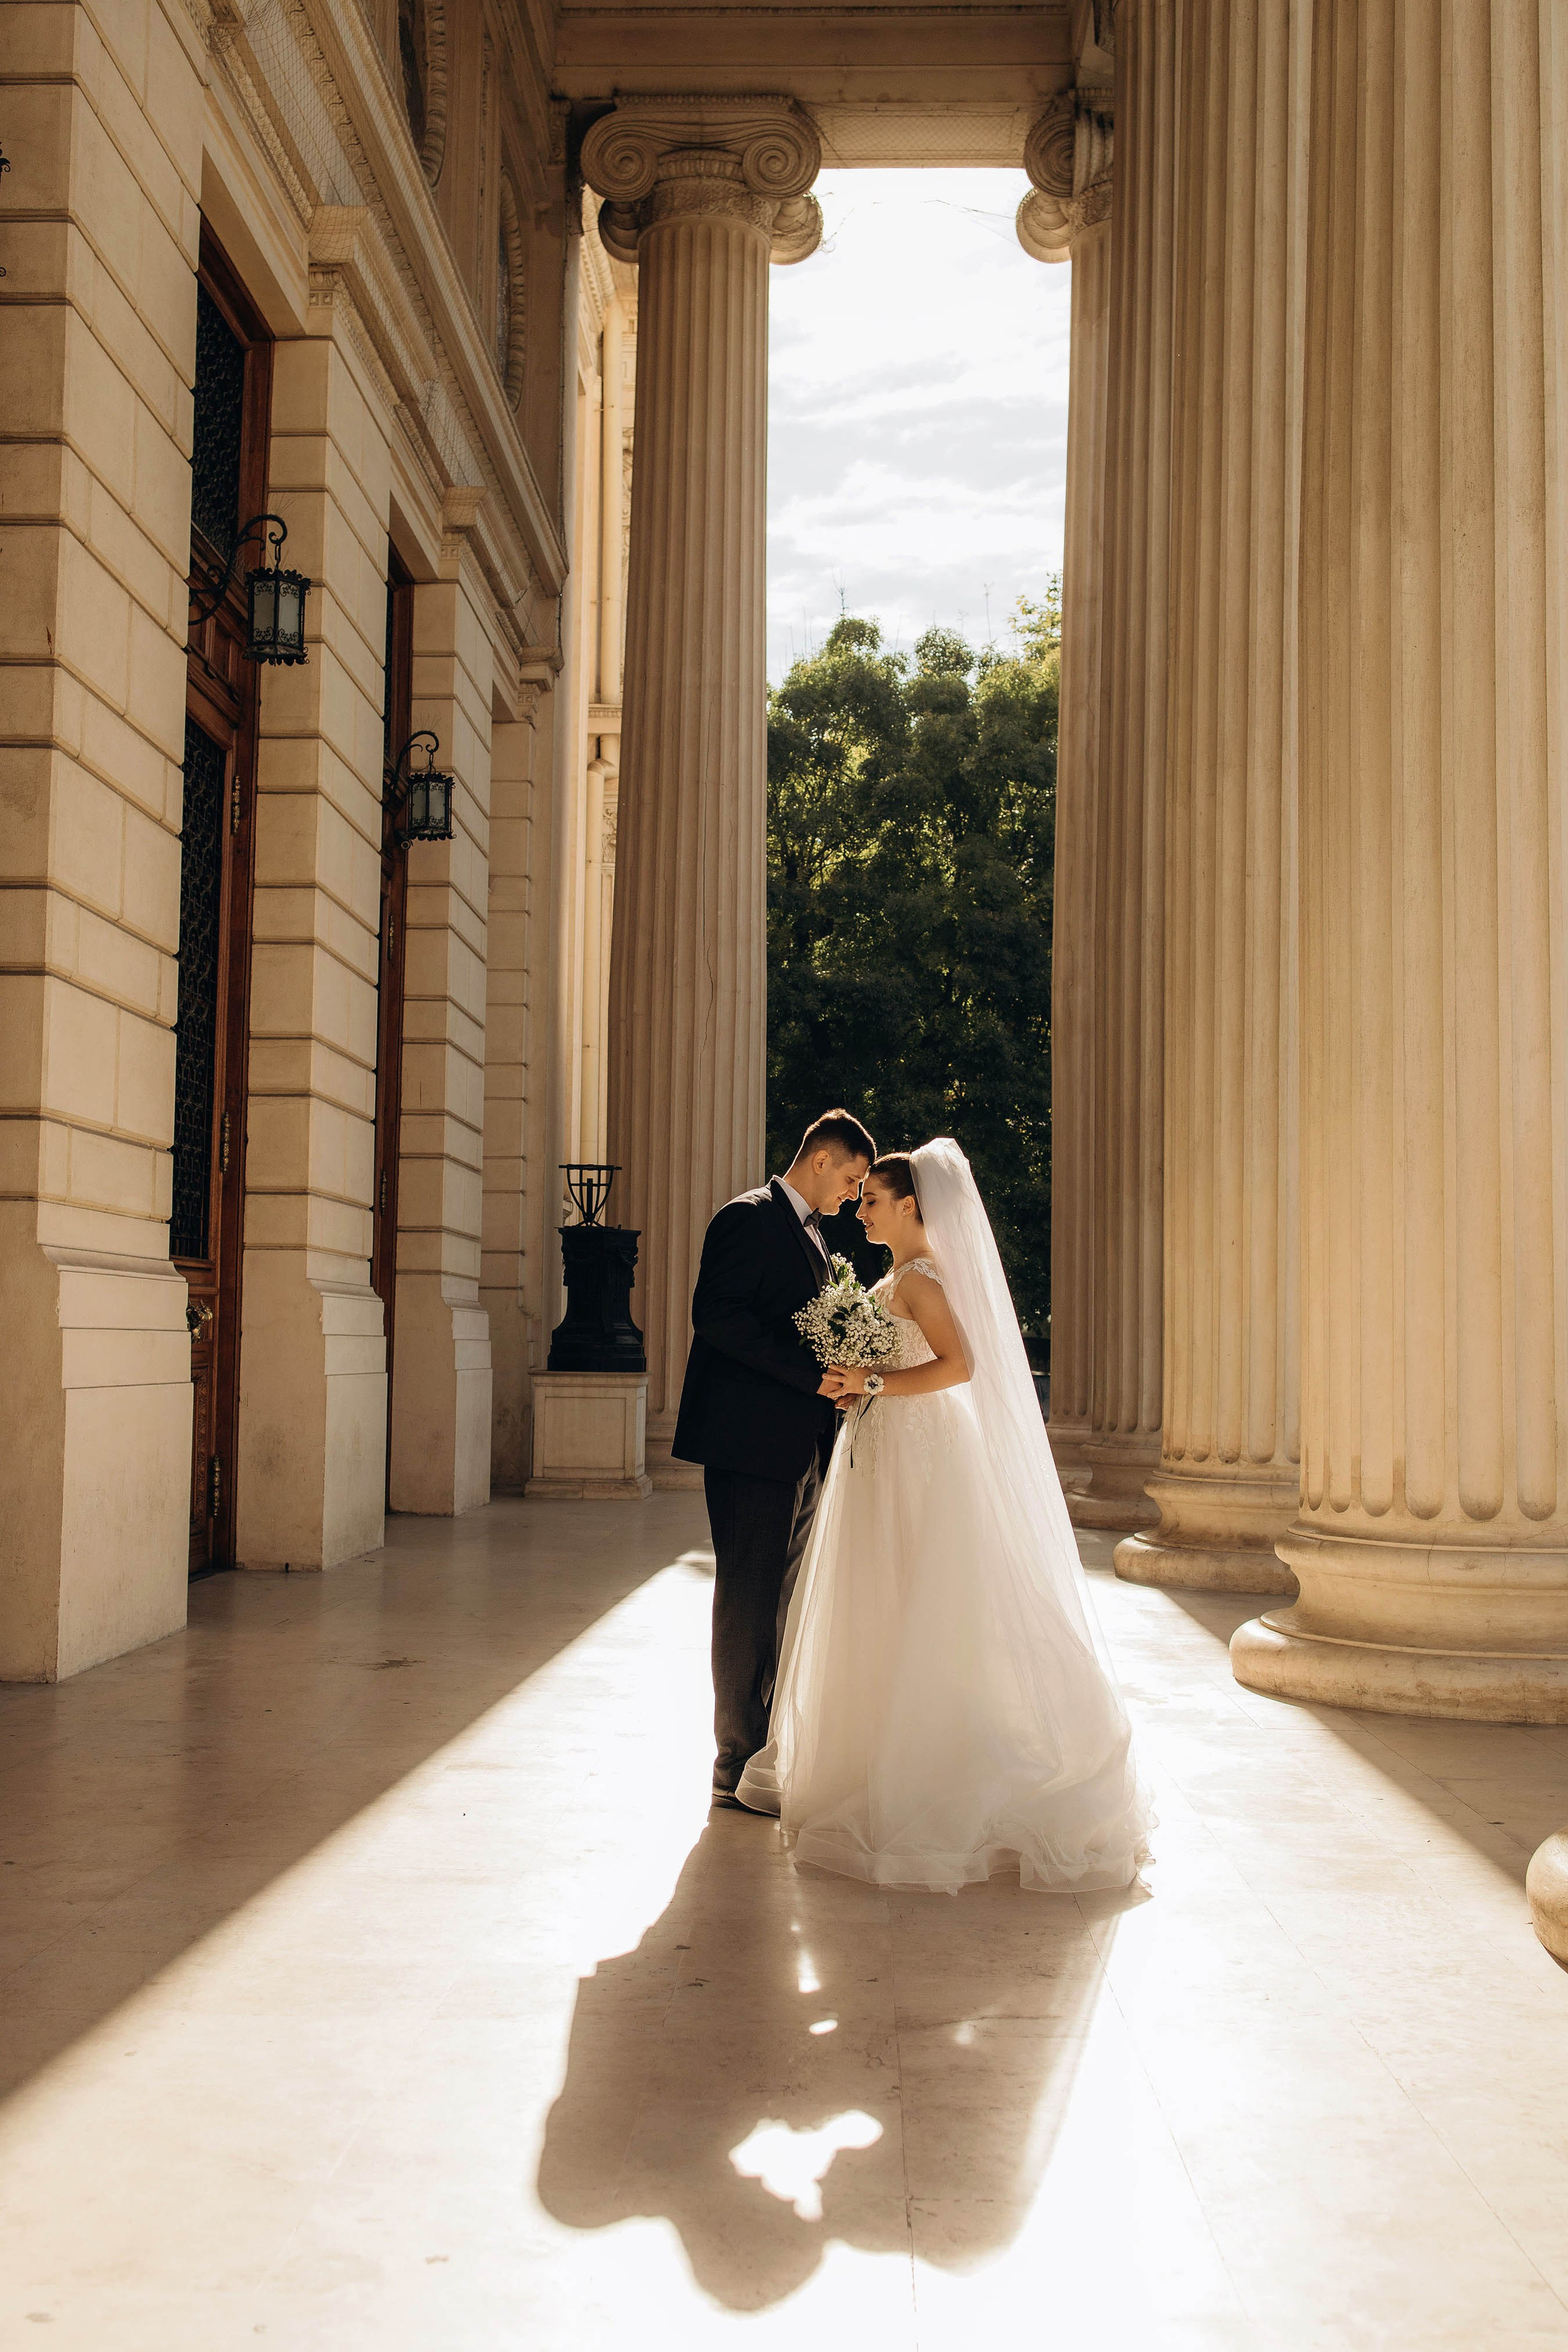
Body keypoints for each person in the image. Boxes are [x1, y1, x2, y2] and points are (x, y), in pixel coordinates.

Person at [736, 1137, 1153, 1895]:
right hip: (885, 1447)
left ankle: (932, 1766)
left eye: (873, 1200)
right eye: (861, 1198)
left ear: (910, 1206)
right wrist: (857, 1380)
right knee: (884, 1598)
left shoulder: (921, 1279)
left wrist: (870, 1384)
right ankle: (877, 1756)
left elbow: (960, 1366)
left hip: (919, 1450)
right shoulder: (895, 1277)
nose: (861, 1209)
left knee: (926, 1595)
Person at [673, 1109, 878, 1807]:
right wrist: (812, 1375)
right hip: (749, 1443)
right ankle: (733, 1763)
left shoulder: (813, 1234)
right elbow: (717, 1317)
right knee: (748, 1599)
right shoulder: (747, 1217)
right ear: (821, 1160)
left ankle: (763, 1754)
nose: (853, 1195)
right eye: (852, 1179)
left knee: (782, 1600)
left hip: (802, 1446)